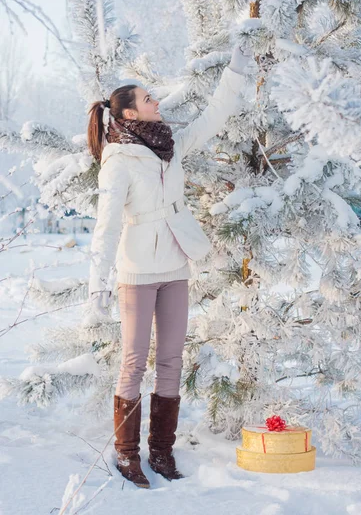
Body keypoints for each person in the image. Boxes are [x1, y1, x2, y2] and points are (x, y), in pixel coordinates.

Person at [87, 43, 251, 489]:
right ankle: (127, 455)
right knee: (134, 360)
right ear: (130, 114)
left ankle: (161, 451)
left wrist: (235, 71)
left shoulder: (169, 148)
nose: (156, 101)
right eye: (147, 99)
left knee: (172, 360)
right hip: (137, 270)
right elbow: (106, 225)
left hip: (176, 265)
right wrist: (96, 285)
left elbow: (213, 118)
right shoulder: (118, 160)